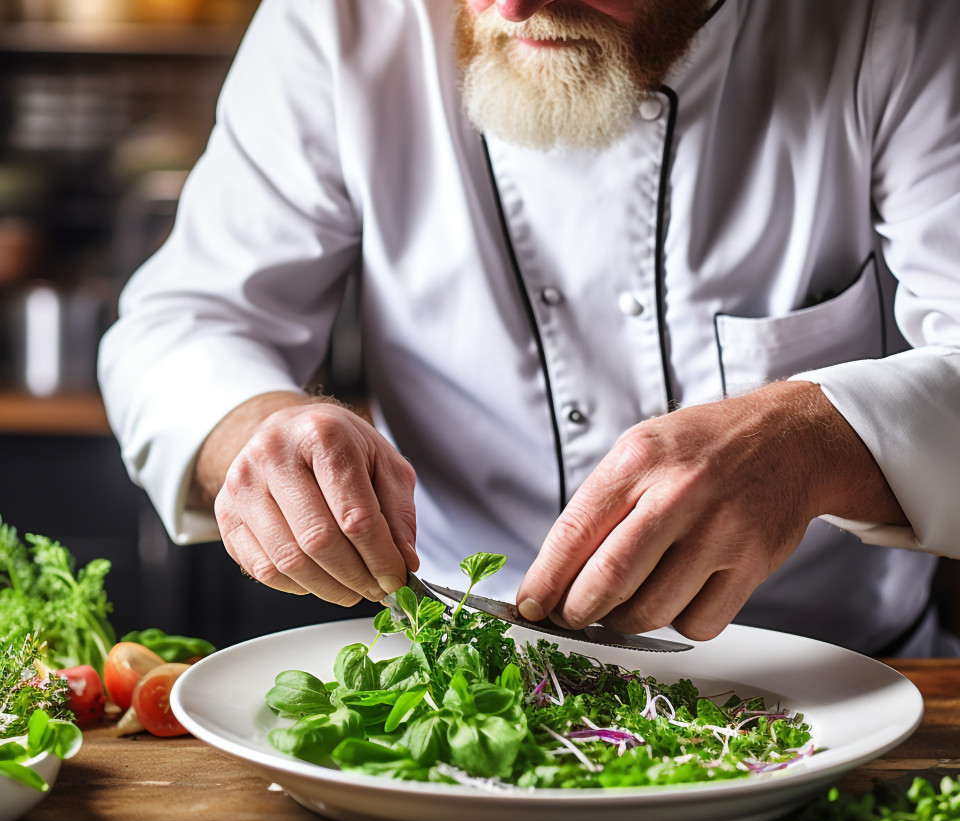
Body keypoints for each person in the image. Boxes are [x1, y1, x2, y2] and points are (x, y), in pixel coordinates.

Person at [99, 0, 960, 657]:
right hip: (460, 699)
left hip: (836, 683)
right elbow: (187, 319)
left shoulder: (895, 22)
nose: (510, 7)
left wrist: (818, 439)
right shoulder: (339, 21)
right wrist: (256, 426)